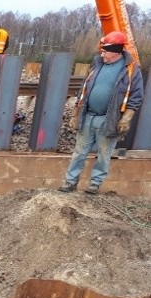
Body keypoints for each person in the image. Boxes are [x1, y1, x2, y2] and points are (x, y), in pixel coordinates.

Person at [59, 31, 144, 195]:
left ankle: (94, 184)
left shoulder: (131, 70)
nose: (102, 53)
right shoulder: (97, 65)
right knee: (79, 152)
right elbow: (83, 90)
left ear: (116, 51)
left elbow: (136, 96)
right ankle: (70, 183)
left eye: (105, 51)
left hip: (108, 119)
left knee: (104, 155)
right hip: (88, 116)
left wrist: (126, 118)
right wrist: (76, 113)